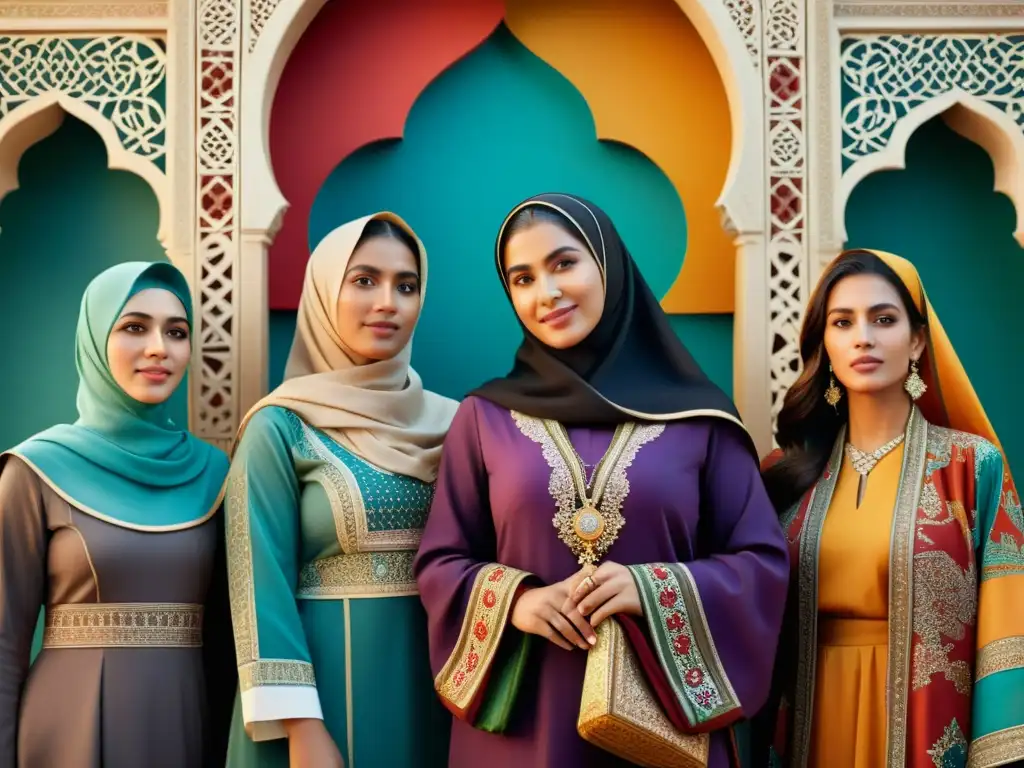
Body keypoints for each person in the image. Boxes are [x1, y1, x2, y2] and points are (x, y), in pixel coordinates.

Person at [414, 193, 789, 767]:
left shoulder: (700, 420)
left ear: (607, 264)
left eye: (565, 263)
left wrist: (652, 589)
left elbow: (761, 563)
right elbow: (442, 563)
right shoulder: (484, 418)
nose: (548, 293)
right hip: (523, 728)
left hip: (661, 728)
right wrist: (518, 602)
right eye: (523, 278)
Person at [760, 249, 1024, 768]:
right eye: (843, 322)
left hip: (928, 727)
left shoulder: (972, 470)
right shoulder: (782, 479)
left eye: (884, 319)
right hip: (809, 723)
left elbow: (1007, 623)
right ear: (825, 344)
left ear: (917, 340)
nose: (864, 337)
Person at [225, 213, 459, 768]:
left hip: (440, 688)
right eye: (364, 280)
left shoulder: (458, 425)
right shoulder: (279, 426)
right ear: (325, 291)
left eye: (406, 285)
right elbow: (256, 581)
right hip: (321, 700)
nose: (388, 302)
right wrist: (303, 728)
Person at [0, 261, 232, 767]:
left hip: (185, 726)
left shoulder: (215, 473)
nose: (159, 348)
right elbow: (2, 643)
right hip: (67, 731)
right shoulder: (36, 468)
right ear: (94, 339)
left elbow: (225, 641)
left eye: (176, 332)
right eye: (133, 327)